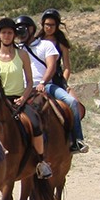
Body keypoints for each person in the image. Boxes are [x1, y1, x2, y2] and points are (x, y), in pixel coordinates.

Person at [0, 17, 51, 179]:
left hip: (18, 99)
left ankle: (41, 161)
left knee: (35, 123)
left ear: (14, 35)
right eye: (4, 33)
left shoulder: (22, 54)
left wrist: (23, 98)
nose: (7, 36)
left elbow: (29, 81)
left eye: (10, 33)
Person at [35, 9, 88, 153]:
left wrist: (63, 83)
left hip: (55, 81)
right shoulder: (36, 42)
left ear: (57, 25)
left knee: (73, 103)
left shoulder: (61, 43)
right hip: (36, 81)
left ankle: (77, 139)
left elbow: (67, 67)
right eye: (46, 24)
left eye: (52, 25)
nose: (49, 27)